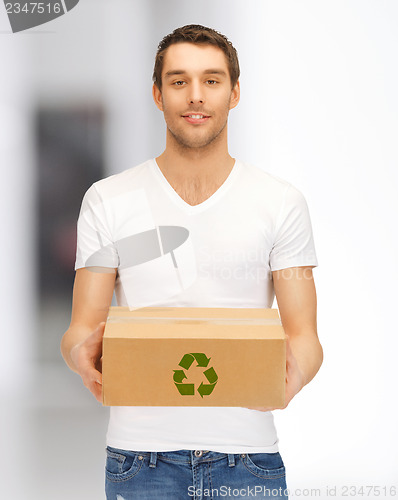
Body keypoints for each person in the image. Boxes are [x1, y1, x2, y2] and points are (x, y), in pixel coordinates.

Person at [61, 24, 323, 500]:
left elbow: (305, 336)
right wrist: (82, 354)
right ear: (158, 95)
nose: (196, 96)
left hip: (248, 460)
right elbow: (81, 329)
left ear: (235, 92)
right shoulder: (108, 200)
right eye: (179, 81)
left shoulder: (280, 202)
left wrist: (292, 376)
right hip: (139, 460)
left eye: (212, 80)